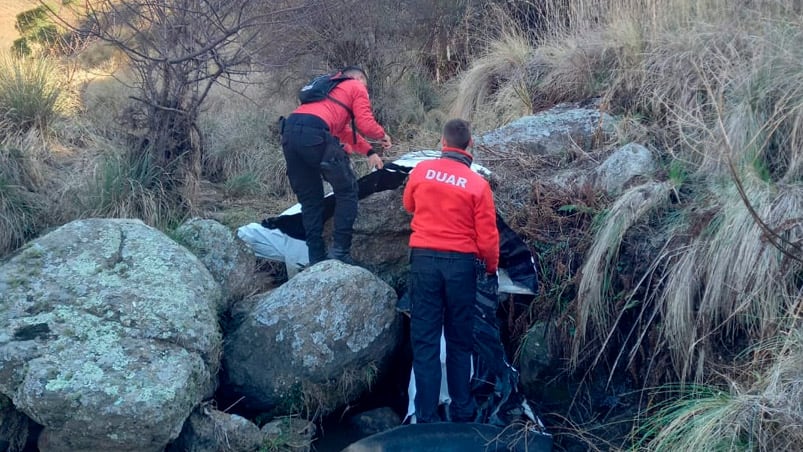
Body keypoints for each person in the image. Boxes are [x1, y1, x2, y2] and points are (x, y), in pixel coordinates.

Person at [402, 118, 500, 423]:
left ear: (442, 143)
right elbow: (488, 237)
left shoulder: (421, 171)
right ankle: (463, 412)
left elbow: (408, 205)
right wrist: (492, 269)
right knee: (459, 341)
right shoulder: (477, 185)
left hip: (424, 263)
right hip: (461, 268)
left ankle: (426, 417)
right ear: (469, 144)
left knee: (426, 340)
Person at [280, 66, 392, 265]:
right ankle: (340, 252)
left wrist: (369, 151)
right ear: (358, 78)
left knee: (310, 201)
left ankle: (316, 257)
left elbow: (345, 132)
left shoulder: (329, 90)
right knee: (347, 191)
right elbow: (365, 124)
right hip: (315, 133)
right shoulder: (355, 86)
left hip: (290, 133)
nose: (365, 91)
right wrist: (382, 135)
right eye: (365, 85)